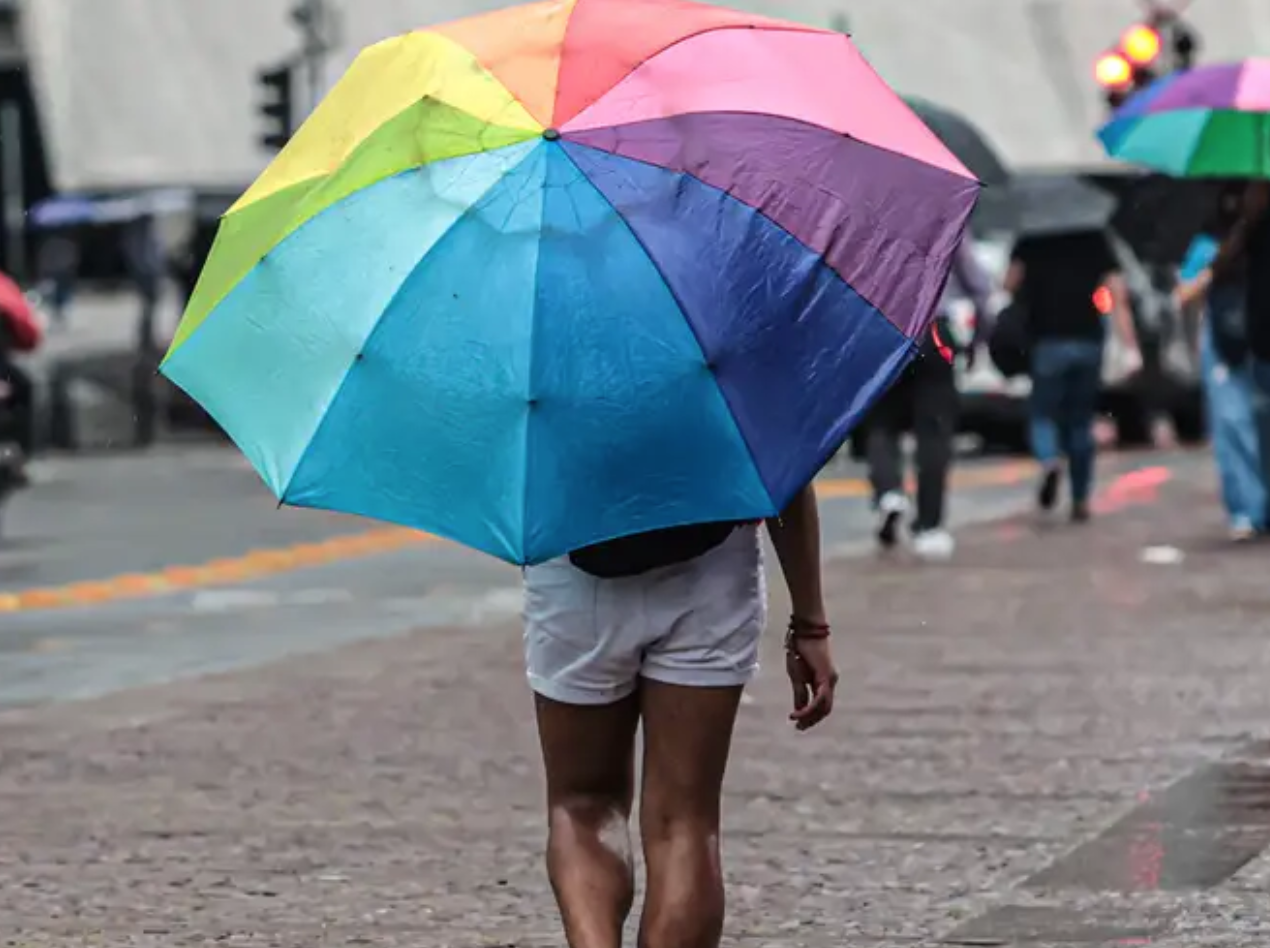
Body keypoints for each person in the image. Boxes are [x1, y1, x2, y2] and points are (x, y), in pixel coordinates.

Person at [522, 484, 837, 948]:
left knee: (583, 805)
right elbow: (786, 469)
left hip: (572, 562)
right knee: (685, 820)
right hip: (711, 565)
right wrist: (810, 620)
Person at [867, 238, 993, 559]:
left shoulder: (867, 218)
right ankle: (929, 526)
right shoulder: (944, 214)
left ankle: (889, 493)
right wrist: (978, 340)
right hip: (933, 330)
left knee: (881, 422)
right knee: (934, 430)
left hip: (881, 328)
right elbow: (979, 287)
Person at [1004, 231, 1141, 522]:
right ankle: (1080, 498)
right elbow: (1118, 293)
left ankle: (1050, 459)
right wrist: (1130, 346)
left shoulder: (1031, 238)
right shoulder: (1094, 237)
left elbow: (1009, 283)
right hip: (1088, 340)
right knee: (1080, 420)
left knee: (1043, 414)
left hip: (1046, 341)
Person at [1177, 181, 1270, 525]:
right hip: (1230, 344)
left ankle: (1251, 509)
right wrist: (1210, 271)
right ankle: (1248, 509)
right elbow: (1185, 290)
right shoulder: (1220, 240)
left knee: (1246, 428)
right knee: (1236, 426)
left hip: (1251, 345)